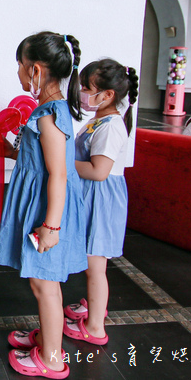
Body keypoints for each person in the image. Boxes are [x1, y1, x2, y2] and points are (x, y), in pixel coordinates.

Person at [0, 31, 86, 380]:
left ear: (35, 70)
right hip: (40, 204)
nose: (17, 70)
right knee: (40, 279)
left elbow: (58, 174)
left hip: (47, 210)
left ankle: (51, 358)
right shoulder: (49, 110)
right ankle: (49, 337)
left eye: (20, 64)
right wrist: (9, 151)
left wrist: (51, 226)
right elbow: (41, 161)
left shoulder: (49, 114)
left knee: (45, 283)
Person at [62, 59, 139, 347]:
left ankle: (95, 327)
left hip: (102, 200)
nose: (81, 92)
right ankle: (93, 306)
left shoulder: (111, 127)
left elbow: (99, 171)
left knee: (96, 266)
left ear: (108, 95)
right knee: (90, 261)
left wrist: (64, 163)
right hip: (92, 197)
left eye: (86, 87)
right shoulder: (99, 121)